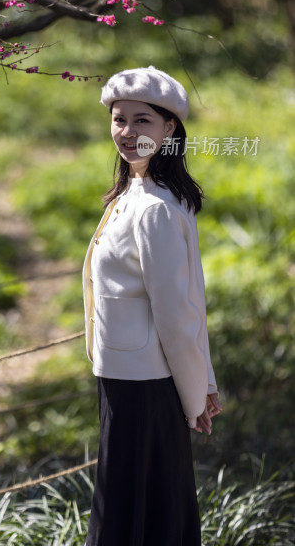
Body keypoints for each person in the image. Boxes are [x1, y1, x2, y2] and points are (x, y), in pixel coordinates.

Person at [83, 66, 221, 546]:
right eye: (119, 120)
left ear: (169, 130)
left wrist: (195, 393)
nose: (127, 132)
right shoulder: (133, 193)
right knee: (135, 507)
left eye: (143, 121)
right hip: (125, 377)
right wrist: (200, 383)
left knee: (136, 514)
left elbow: (178, 312)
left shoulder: (155, 207)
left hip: (146, 386)